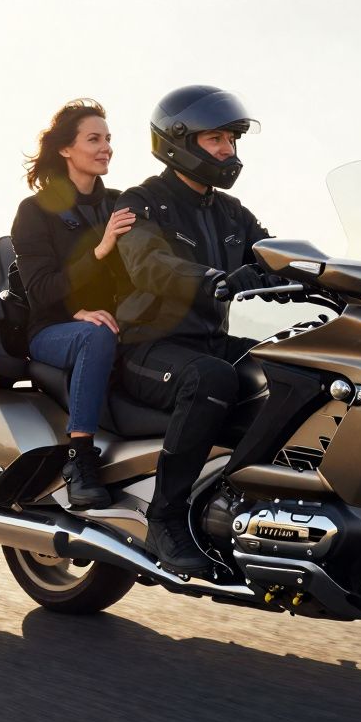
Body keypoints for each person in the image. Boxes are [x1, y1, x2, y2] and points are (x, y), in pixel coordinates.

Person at [112, 85, 281, 574]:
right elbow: (149, 264)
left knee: (289, 369)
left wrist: (344, 272)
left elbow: (276, 252)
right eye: (216, 140)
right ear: (178, 140)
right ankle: (165, 520)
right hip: (149, 346)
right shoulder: (142, 202)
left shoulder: (231, 213)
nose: (228, 150)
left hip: (207, 342)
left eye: (232, 140)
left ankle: (254, 506)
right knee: (211, 378)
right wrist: (218, 281)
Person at [11, 99, 136, 510]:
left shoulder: (119, 203)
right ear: (66, 149)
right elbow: (41, 292)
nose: (106, 148)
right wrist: (99, 251)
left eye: (109, 139)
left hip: (112, 321)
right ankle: (80, 459)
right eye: (94, 139)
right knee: (95, 334)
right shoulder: (35, 212)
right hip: (51, 329)